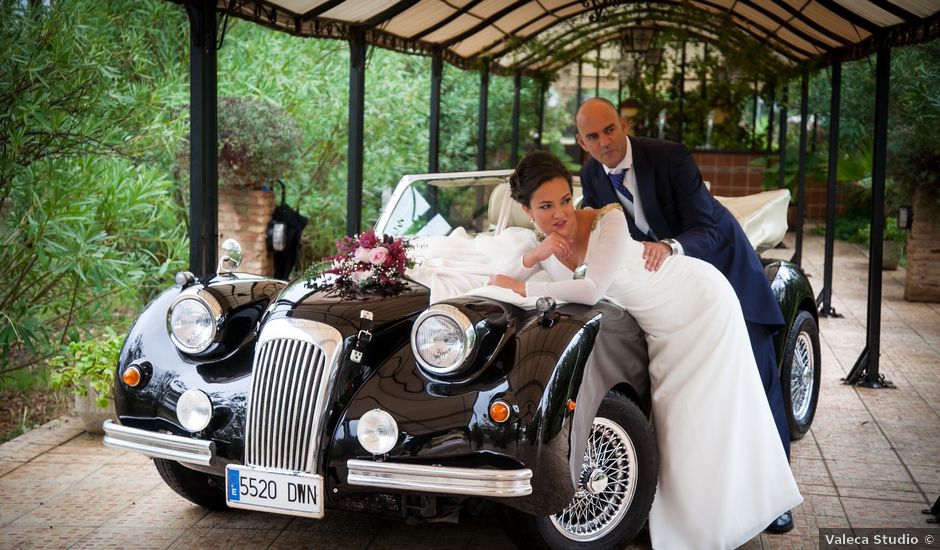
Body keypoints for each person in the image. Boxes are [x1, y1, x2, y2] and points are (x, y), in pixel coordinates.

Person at [489, 150, 801, 550]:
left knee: (697, 414)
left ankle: (707, 527)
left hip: (697, 301)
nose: (561, 214)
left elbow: (590, 289)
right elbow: (499, 279)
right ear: (525, 209)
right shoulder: (544, 243)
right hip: (660, 326)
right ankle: (688, 522)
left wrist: (525, 287)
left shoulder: (609, 219)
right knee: (680, 418)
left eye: (565, 200)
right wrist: (536, 255)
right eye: (546, 207)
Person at [574, 97, 795, 533]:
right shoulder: (591, 176)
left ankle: (775, 498)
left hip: (724, 271)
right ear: (582, 142)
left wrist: (671, 247)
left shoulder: (669, 157)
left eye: (610, 130)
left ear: (624, 125)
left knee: (757, 373)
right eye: (593, 137)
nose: (605, 143)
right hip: (670, 293)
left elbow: (709, 226)